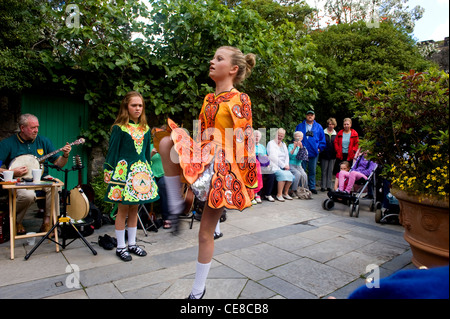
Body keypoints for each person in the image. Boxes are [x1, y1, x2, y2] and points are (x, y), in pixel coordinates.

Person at [157, 46, 257, 299]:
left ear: (233, 69)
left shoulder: (240, 100)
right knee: (167, 140)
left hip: (224, 168)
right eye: (213, 57)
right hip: (204, 155)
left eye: (218, 58)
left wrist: (242, 181)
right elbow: (202, 135)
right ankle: (175, 202)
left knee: (204, 233)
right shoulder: (208, 99)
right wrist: (192, 157)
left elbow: (244, 143)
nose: (211, 61)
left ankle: (197, 291)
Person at [103, 91, 159, 261]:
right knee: (122, 209)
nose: (137, 108)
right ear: (126, 107)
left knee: (135, 208)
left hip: (140, 173)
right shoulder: (118, 128)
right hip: (123, 173)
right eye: (134, 105)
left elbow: (145, 154)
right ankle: (121, 246)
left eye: (140, 105)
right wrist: (108, 171)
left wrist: (148, 170)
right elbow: (112, 152)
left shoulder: (146, 129)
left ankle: (132, 243)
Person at [0, 113, 71, 234]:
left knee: (56, 187)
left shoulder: (43, 141)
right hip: (19, 181)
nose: (36, 130)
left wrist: (65, 155)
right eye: (32, 127)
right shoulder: (7, 144)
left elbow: (59, 163)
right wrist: (12, 171)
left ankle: (47, 223)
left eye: (37, 127)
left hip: (42, 178)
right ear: (22, 128)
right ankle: (16, 221)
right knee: (27, 196)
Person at [295, 110, 326, 194]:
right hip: (302, 151)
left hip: (314, 151)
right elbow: (296, 136)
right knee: (302, 169)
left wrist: (319, 148)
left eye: (311, 115)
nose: (310, 116)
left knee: (312, 170)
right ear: (306, 116)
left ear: (314, 116)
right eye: (308, 115)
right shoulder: (300, 126)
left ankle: (312, 187)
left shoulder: (318, 127)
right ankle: (302, 186)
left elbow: (322, 139)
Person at [267, 128, 294, 201]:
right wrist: (283, 165)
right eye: (279, 135)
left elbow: (287, 156)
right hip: (274, 165)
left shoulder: (284, 144)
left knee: (290, 175)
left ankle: (285, 193)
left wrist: (286, 165)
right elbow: (273, 157)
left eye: (282, 136)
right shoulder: (271, 143)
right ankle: (279, 194)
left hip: (284, 166)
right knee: (283, 175)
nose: (280, 137)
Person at [255, 130, 276, 202]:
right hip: (255, 166)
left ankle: (268, 194)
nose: (256, 138)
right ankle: (258, 194)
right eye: (255, 136)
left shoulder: (262, 147)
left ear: (260, 138)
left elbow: (265, 156)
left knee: (272, 174)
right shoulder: (250, 145)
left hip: (263, 165)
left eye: (258, 136)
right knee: (261, 174)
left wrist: (267, 164)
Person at [287, 131, 308, 198]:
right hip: (291, 164)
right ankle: (293, 191)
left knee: (304, 174)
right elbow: (289, 156)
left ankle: (304, 190)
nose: (298, 138)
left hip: (299, 165)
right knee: (297, 174)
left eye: (299, 136)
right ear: (294, 137)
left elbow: (304, 156)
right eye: (296, 136)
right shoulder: (290, 145)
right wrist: (294, 147)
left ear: (302, 138)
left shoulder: (302, 147)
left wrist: (300, 146)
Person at [320, 118, 337, 192]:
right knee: (324, 170)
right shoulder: (323, 132)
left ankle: (329, 186)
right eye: (329, 124)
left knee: (330, 170)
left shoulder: (336, 134)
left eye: (332, 124)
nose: (330, 126)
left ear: (334, 125)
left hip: (333, 154)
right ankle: (323, 186)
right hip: (324, 153)